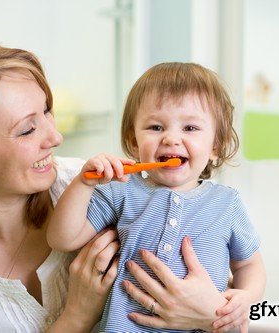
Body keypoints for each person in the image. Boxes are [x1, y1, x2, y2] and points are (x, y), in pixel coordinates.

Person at [0, 46, 230, 332]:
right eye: (28, 129)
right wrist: (77, 317)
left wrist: (213, 313)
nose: (55, 137)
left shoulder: (97, 188)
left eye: (47, 111)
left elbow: (229, 292)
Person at [48, 62, 266, 332]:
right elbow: (62, 238)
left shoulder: (227, 204)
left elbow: (249, 266)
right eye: (155, 127)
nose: (171, 139)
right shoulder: (120, 190)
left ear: (216, 146)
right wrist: (83, 183)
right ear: (134, 141)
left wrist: (246, 297)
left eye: (190, 128)